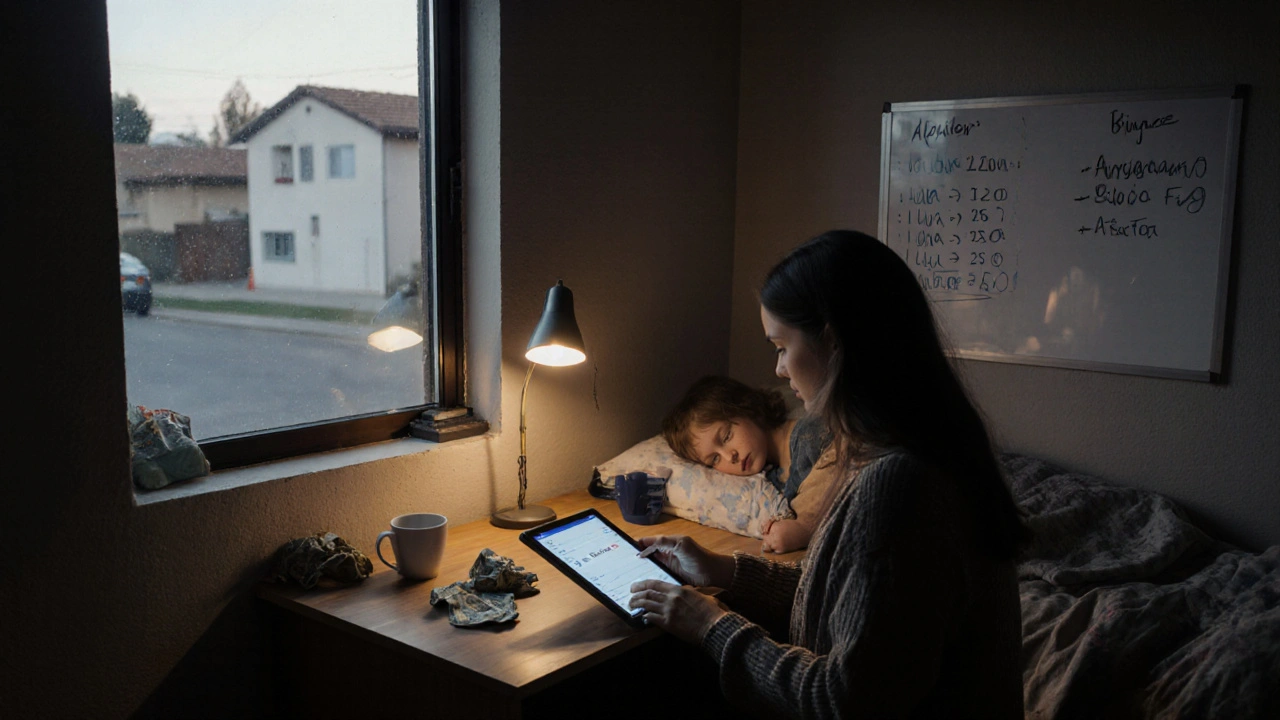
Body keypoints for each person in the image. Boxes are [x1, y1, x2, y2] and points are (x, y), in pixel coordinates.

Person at [629, 230, 1029, 719]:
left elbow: (844, 698)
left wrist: (711, 625)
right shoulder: (927, 446)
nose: (778, 368)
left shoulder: (901, 483)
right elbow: (858, 605)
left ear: (834, 340)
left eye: (781, 345)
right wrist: (724, 571)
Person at [661, 375, 832, 553]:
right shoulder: (770, 477)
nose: (730, 456)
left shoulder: (811, 435)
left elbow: (837, 488)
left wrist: (803, 529)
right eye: (715, 459)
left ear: (749, 409)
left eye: (727, 436)